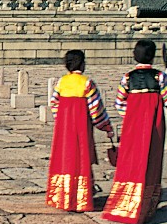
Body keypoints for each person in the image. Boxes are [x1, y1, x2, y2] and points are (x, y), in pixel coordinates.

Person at [103, 39, 167, 224]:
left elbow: (119, 103)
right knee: (151, 161)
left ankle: (123, 203)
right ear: (153, 57)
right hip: (154, 126)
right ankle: (145, 206)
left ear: (134, 55)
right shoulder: (159, 77)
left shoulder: (127, 78)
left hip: (132, 127)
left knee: (129, 161)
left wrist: (130, 116)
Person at [47, 49, 116, 212]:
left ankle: (62, 196)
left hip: (64, 129)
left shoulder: (62, 82)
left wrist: (62, 119)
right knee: (81, 158)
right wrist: (106, 126)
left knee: (65, 158)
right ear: (82, 64)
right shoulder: (87, 83)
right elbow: (96, 110)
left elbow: (54, 103)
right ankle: (81, 197)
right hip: (81, 128)